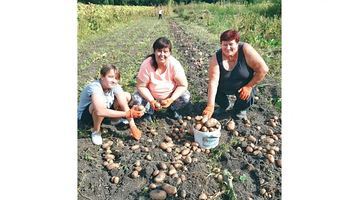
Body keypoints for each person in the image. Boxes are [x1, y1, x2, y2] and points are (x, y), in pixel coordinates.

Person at [202, 29, 269, 121]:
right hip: (225, 85)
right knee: (212, 89)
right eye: (225, 44)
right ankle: (224, 105)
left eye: (231, 44)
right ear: (221, 44)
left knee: (247, 95)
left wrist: (249, 86)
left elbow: (263, 69)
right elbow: (213, 81)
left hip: (244, 85)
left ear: (237, 43)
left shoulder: (245, 49)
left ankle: (239, 109)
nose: (228, 48)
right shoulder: (216, 57)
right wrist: (210, 106)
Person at [78, 64, 145, 145]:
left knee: (125, 95)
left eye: (116, 78)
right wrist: (127, 114)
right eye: (110, 77)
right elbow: (100, 111)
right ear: (102, 76)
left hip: (105, 113)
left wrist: (133, 126)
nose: (114, 80)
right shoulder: (95, 87)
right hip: (87, 117)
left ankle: (115, 121)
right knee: (97, 107)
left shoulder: (114, 86)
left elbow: (124, 105)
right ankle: (96, 131)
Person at [134, 37, 190, 122]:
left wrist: (171, 99)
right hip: (151, 95)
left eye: (165, 51)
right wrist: (152, 100)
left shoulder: (174, 65)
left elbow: (183, 85)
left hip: (169, 94)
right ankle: (149, 112)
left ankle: (171, 109)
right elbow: (141, 86)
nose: (162, 54)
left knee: (185, 96)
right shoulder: (147, 64)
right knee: (136, 98)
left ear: (170, 53)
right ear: (154, 51)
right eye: (159, 51)